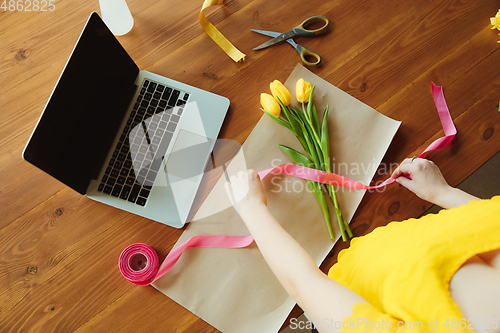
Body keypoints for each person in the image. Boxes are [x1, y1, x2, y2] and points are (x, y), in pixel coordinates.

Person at [224, 158, 500, 333]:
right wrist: (444, 193)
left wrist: (252, 209)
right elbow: (490, 220)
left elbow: (304, 284)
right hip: (403, 241)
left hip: (348, 287)